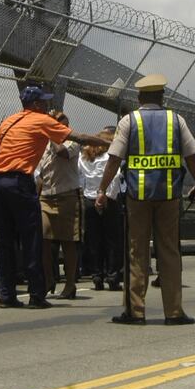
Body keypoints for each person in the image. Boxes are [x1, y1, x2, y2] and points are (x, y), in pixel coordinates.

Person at [95, 74, 195, 325]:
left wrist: (102, 189)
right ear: (162, 96)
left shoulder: (129, 121)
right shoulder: (176, 120)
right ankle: (174, 313)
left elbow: (114, 159)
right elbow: (191, 156)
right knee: (169, 252)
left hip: (137, 195)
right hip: (169, 196)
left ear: (140, 97)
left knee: (137, 252)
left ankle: (135, 312)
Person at [0, 85, 110, 309]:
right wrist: (107, 143)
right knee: (32, 239)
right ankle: (36, 295)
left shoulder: (9, 121)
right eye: (44, 102)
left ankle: (6, 295)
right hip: (19, 182)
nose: (47, 106)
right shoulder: (40, 120)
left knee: (5, 241)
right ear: (35, 104)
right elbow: (79, 137)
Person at [37, 109, 82, 300]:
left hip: (67, 196)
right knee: (44, 242)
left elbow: (62, 153)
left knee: (68, 242)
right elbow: (40, 174)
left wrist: (54, 134)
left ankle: (70, 284)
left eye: (62, 124)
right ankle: (49, 280)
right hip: (46, 197)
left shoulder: (72, 142)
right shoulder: (44, 145)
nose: (60, 127)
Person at [80, 125, 123, 292]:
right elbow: (116, 176)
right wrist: (106, 195)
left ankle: (97, 275)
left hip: (89, 199)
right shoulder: (110, 157)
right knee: (112, 239)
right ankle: (112, 276)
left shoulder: (84, 157)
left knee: (94, 239)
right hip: (108, 199)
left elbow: (80, 178)